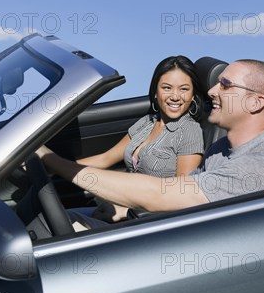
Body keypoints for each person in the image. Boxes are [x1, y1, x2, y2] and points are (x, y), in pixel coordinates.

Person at [36, 59, 264, 222]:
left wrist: (51, 160)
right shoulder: (223, 148)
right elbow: (180, 188)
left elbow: (160, 194)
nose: (210, 91)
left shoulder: (260, 167)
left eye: (225, 85)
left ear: (256, 102)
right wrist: (120, 207)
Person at [38, 55, 205, 222]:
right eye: (167, 88)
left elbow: (182, 198)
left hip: (147, 220)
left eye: (184, 89)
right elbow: (106, 158)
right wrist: (54, 166)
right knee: (51, 219)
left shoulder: (189, 132)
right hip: (120, 207)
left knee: (58, 225)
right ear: (155, 92)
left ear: (192, 95)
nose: (175, 96)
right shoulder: (147, 122)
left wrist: (127, 212)